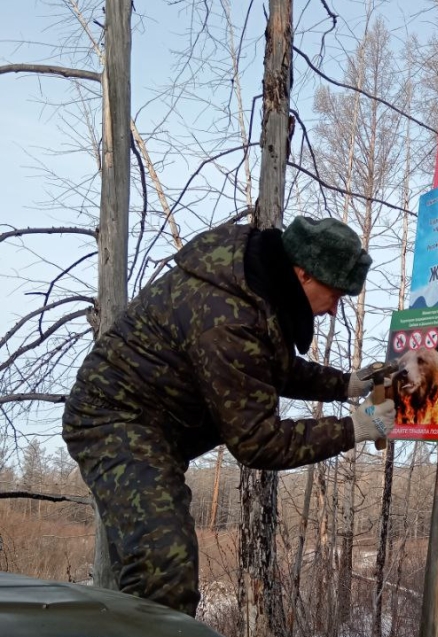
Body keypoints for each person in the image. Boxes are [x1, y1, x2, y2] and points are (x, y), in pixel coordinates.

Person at [62, 216, 396, 616]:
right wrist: (355, 428)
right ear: (304, 273)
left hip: (152, 425)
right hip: (113, 418)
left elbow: (271, 366)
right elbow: (259, 442)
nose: (333, 310)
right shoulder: (230, 313)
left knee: (152, 570)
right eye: (335, 294)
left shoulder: (256, 286)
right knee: (163, 567)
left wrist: (347, 385)